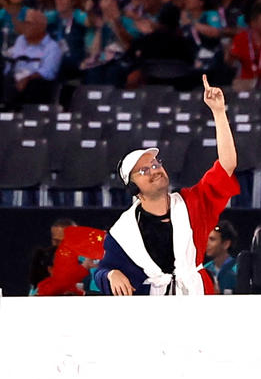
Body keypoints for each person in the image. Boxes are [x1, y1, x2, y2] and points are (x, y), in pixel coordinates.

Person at [98, 78, 242, 295]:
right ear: (132, 187)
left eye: (155, 164)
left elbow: (227, 165)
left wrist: (219, 113)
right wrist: (110, 274)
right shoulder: (123, 231)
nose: (155, 170)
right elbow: (102, 271)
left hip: (197, 299)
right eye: (144, 170)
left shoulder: (193, 203)